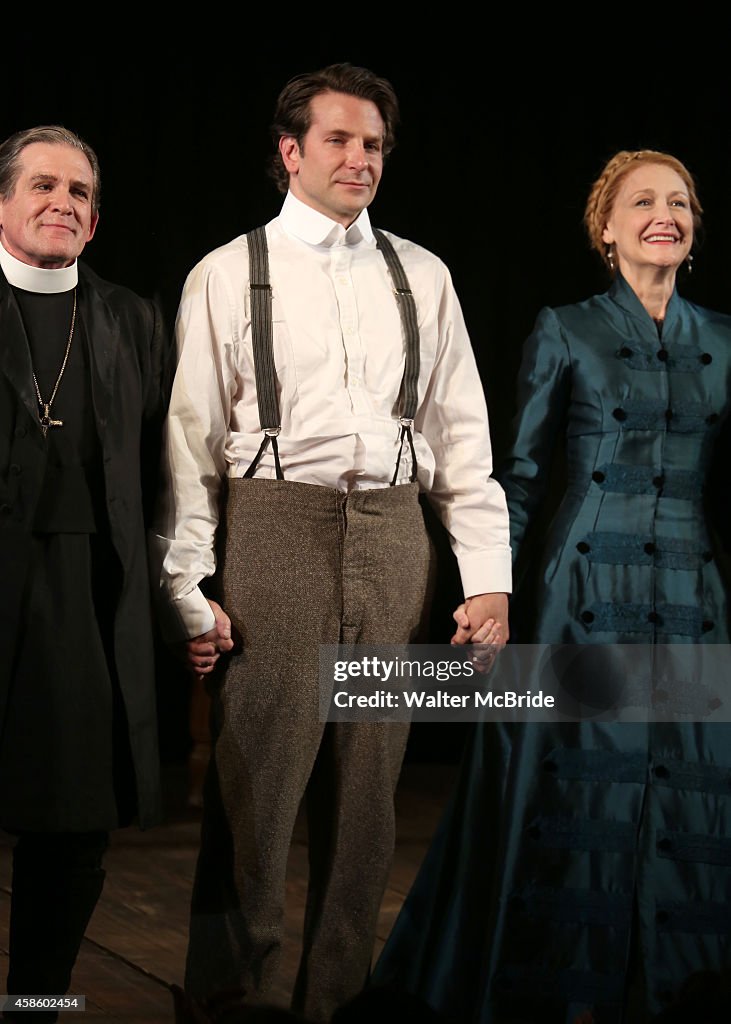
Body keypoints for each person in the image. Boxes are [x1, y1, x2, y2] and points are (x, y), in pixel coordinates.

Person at [152, 62, 512, 1024]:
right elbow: (189, 447)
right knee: (258, 791)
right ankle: (236, 1000)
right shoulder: (230, 272)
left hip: (394, 536)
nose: (361, 159)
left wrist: (486, 580)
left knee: (367, 801)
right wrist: (187, 583)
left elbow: (460, 435)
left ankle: (338, 1002)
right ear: (290, 151)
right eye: (342, 140)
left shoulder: (420, 273)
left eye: (375, 145)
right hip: (274, 523)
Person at [371, 149, 731, 1022]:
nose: (664, 215)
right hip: (580, 595)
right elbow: (522, 472)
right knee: (575, 787)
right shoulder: (565, 328)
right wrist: (489, 590)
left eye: (678, 202)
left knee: (691, 791)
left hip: (689, 596)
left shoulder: (721, 336)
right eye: (641, 201)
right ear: (604, 229)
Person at [0, 125, 164, 1021]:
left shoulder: (130, 319)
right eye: (42, 185)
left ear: (94, 222)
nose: (61, 202)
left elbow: (164, 469)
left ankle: (35, 1005)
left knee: (70, 829)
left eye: (79, 193)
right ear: (3, 202)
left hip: (82, 601)